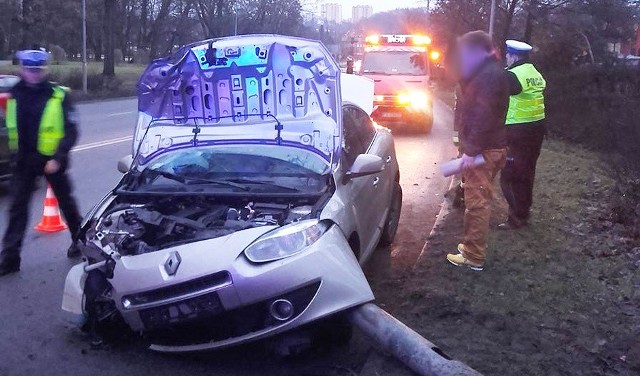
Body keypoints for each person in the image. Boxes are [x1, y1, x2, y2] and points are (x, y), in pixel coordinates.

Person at [0, 49, 82, 276]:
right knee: (17, 209)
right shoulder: (14, 94)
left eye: (37, 70)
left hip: (51, 160)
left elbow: (71, 130)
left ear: (44, 69)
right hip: (24, 161)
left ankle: (81, 241)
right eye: (29, 70)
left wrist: (58, 157)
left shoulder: (58, 95)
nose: (34, 74)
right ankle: (10, 258)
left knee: (67, 203)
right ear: (22, 69)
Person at [446, 31, 510, 271]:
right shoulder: (487, 73)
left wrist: (471, 150)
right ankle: (469, 243)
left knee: (476, 202)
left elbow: (484, 117)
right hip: (489, 146)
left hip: (484, 150)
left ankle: (473, 256)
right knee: (476, 198)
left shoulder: (488, 77)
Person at [499, 40, 547, 230]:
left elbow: (498, 100)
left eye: (508, 55)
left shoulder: (512, 75)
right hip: (537, 130)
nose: (506, 59)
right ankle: (524, 212)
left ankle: (517, 217)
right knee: (527, 172)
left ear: (513, 56)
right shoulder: (535, 73)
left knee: (509, 176)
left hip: (517, 132)